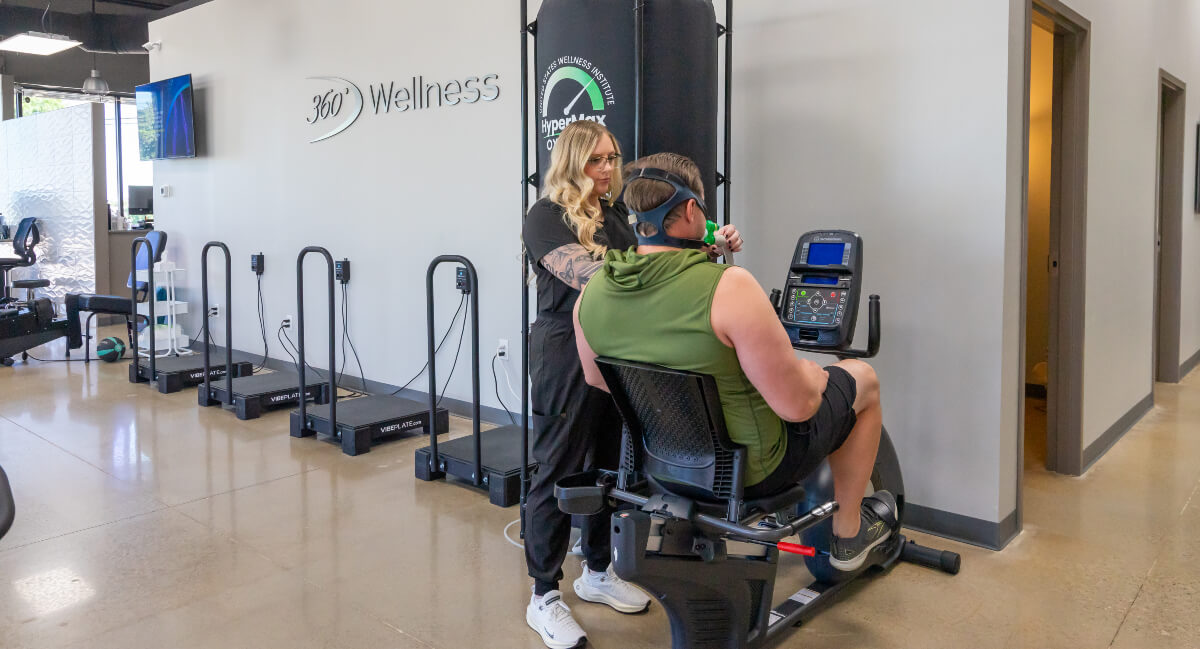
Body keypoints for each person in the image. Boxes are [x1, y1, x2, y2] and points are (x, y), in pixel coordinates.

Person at [572, 152, 897, 577]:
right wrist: (812, 378)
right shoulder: (730, 286)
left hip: (661, 467)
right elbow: (798, 407)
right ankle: (849, 533)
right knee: (863, 380)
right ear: (691, 211)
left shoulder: (592, 292)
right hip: (750, 474)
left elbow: (598, 379)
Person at [521, 123, 742, 649]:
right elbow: (589, 276)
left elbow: (658, 256)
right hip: (563, 355)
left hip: (617, 351)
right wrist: (662, 263)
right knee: (559, 466)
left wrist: (713, 240)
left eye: (613, 158)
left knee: (609, 466)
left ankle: (595, 571)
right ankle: (543, 594)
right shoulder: (544, 216)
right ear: (572, 161)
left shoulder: (618, 215)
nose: (607, 169)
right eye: (596, 159)